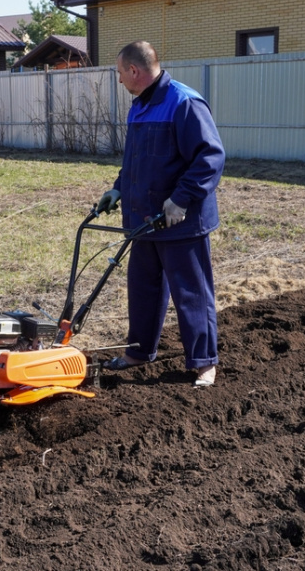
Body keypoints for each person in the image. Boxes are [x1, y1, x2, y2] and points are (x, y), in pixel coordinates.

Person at [98, 41, 225, 388]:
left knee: (191, 294)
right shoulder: (139, 107)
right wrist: (118, 188)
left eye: (120, 72)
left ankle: (204, 363)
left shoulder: (184, 103)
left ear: (135, 71)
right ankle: (139, 351)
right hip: (144, 220)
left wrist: (180, 200)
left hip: (181, 222)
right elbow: (136, 162)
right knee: (143, 289)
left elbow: (210, 158)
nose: (120, 80)